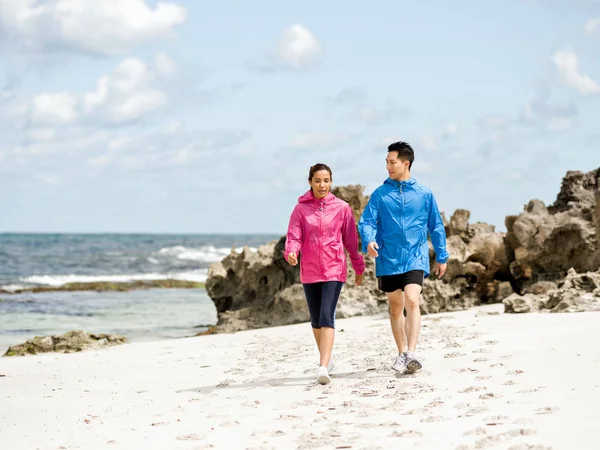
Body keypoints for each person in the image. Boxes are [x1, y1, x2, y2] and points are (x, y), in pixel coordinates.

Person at [358, 141, 448, 374]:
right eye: (386, 162)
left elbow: (435, 226)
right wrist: (368, 240)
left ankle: (412, 353)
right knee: (396, 307)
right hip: (388, 258)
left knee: (412, 300)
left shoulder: (424, 193)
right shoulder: (380, 194)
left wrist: (441, 255)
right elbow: (366, 221)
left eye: (392, 162)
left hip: (415, 257)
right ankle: (401, 353)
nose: (387, 166)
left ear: (405, 163)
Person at [285, 163, 366, 385]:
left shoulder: (342, 208)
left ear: (331, 182)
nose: (322, 185)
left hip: (334, 268)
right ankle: (327, 360)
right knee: (315, 319)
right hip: (309, 270)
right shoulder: (300, 209)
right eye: (318, 181)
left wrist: (359, 267)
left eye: (326, 180)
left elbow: (351, 242)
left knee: (326, 315)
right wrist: (291, 252)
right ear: (310, 182)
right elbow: (294, 236)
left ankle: (322, 366)